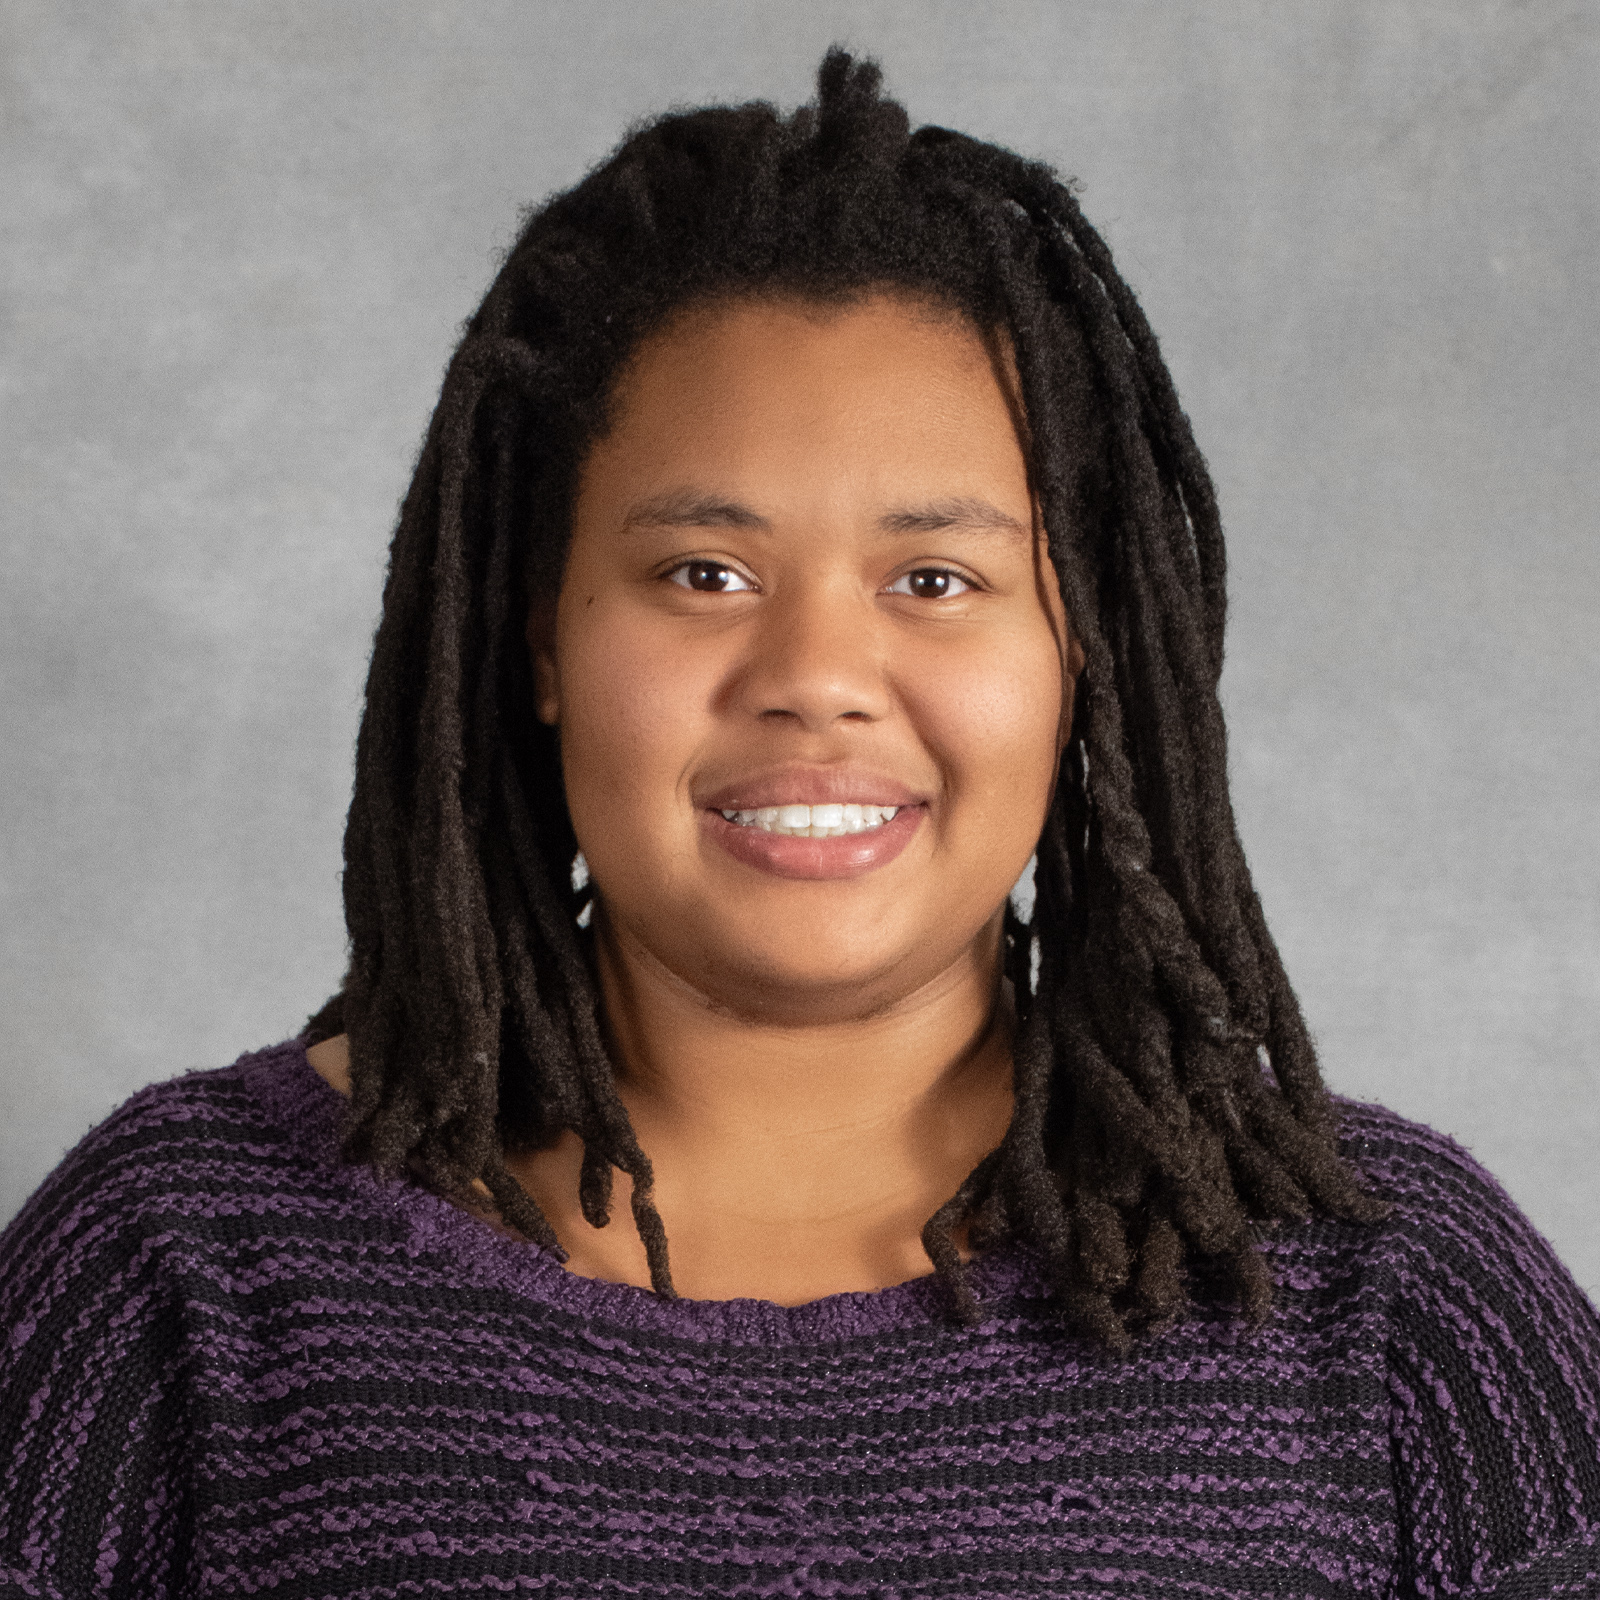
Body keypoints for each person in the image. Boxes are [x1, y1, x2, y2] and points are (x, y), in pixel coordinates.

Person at [2, 50, 1597, 1600]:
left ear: (1084, 661)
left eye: (936, 580)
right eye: (706, 574)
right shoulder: (177, 1259)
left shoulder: (1390, 1293)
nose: (818, 678)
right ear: (542, 640)